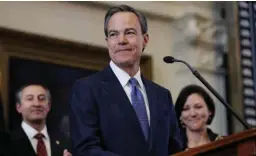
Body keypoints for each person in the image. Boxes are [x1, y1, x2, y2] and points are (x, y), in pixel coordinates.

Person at [69, 4, 183, 156]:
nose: (121, 40)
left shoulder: (162, 96)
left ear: (145, 39)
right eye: (113, 34)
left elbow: (175, 150)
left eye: (129, 33)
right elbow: (87, 150)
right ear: (107, 41)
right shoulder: (87, 89)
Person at [9, 84, 72, 156]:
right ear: (18, 107)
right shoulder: (6, 142)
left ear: (48, 106)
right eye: (30, 99)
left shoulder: (65, 141)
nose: (37, 104)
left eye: (41, 99)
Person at [175, 84, 223, 150]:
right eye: (186, 109)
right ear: (180, 116)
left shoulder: (222, 144)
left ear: (210, 111)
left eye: (198, 107)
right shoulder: (172, 150)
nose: (193, 114)